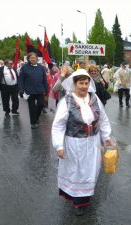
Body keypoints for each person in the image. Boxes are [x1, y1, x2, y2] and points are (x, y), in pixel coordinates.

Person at [51, 69, 112, 216]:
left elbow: (103, 119)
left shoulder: (94, 98)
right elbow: (58, 125)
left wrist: (107, 137)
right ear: (74, 84)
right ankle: (79, 201)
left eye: (86, 83)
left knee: (91, 169)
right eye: (81, 83)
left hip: (93, 142)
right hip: (74, 143)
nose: (84, 86)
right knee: (77, 171)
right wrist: (58, 145)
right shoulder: (67, 101)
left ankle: (85, 197)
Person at [19, 52, 48, 129]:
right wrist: (21, 90)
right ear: (28, 59)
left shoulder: (41, 67)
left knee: (41, 105)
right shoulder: (24, 67)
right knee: (31, 107)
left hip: (40, 90)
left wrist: (46, 89)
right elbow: (21, 80)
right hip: (29, 91)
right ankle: (33, 122)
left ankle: (36, 117)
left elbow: (44, 79)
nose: (33, 59)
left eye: (34, 58)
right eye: (31, 58)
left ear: (36, 59)